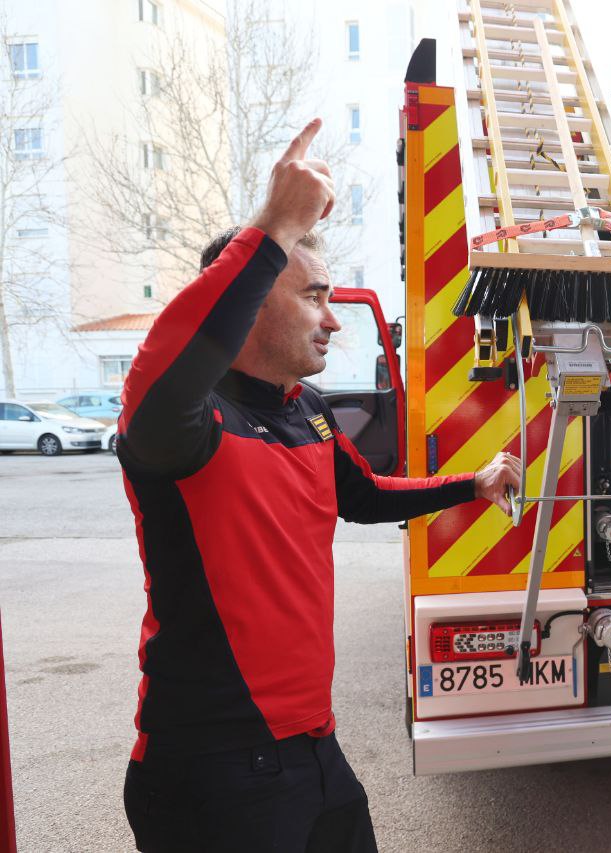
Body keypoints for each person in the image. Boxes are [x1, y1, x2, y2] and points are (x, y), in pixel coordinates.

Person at [117, 119, 521, 852]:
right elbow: (158, 377)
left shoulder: (307, 411)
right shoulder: (190, 423)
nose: (334, 319)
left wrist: (474, 481)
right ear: (247, 305)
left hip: (313, 749)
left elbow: (363, 495)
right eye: (313, 296)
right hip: (211, 770)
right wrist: (274, 225)